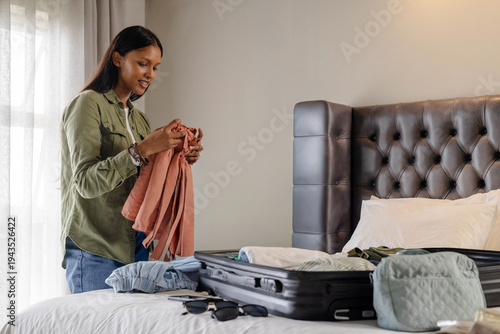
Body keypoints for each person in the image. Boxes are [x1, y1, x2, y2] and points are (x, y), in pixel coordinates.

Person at [60, 25, 203, 294]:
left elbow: (145, 180)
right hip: (95, 247)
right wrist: (142, 150)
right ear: (117, 59)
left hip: (135, 248)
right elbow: (85, 182)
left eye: (156, 67)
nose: (150, 74)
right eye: (142, 63)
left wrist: (177, 157)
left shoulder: (140, 119)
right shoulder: (87, 104)